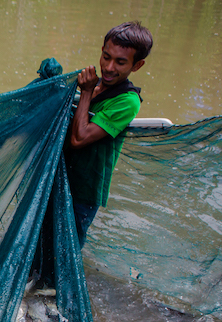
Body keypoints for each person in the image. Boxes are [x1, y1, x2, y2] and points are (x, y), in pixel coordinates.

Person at [65, 21, 153, 247]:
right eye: (106, 57)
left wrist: (85, 93)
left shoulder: (127, 101)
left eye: (120, 62)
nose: (109, 67)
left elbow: (79, 138)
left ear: (137, 65)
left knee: (66, 247)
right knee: (42, 241)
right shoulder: (95, 85)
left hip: (84, 189)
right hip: (61, 177)